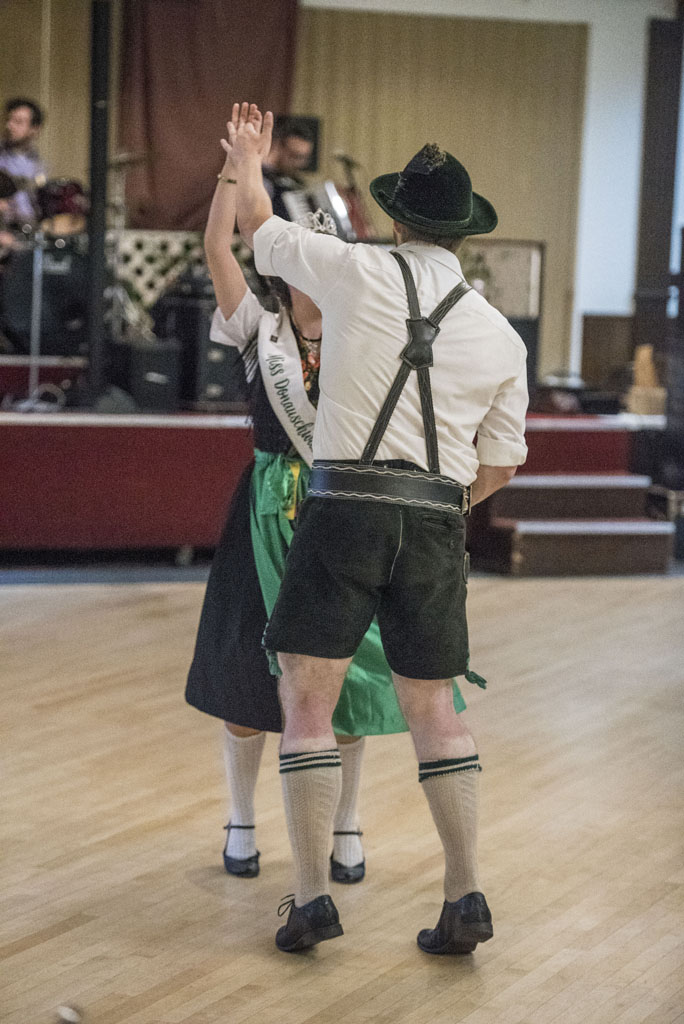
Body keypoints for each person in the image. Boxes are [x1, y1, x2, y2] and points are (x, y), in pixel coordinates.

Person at [229, 105, 528, 954]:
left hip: (342, 513)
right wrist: (442, 507)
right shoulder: (500, 334)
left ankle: (311, 901)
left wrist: (248, 158)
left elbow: (260, 229)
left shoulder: (352, 269)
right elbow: (502, 464)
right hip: (434, 522)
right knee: (435, 707)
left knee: (308, 701)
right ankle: (465, 895)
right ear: (463, 233)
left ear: (397, 220)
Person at [185, 104, 471, 886]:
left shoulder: (364, 330)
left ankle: (346, 823)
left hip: (342, 507)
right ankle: (241, 819)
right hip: (264, 510)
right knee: (247, 674)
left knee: (350, 677)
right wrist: (237, 168)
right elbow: (217, 246)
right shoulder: (257, 326)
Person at [0, 98, 47, 230]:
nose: (9, 126)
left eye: (18, 122)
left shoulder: (39, 165)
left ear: (34, 129)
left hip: (27, 230)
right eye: (8, 120)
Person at [261, 117, 315, 220]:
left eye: (304, 158)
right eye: (295, 156)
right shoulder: (259, 176)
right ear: (278, 147)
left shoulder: (292, 181)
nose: (300, 164)